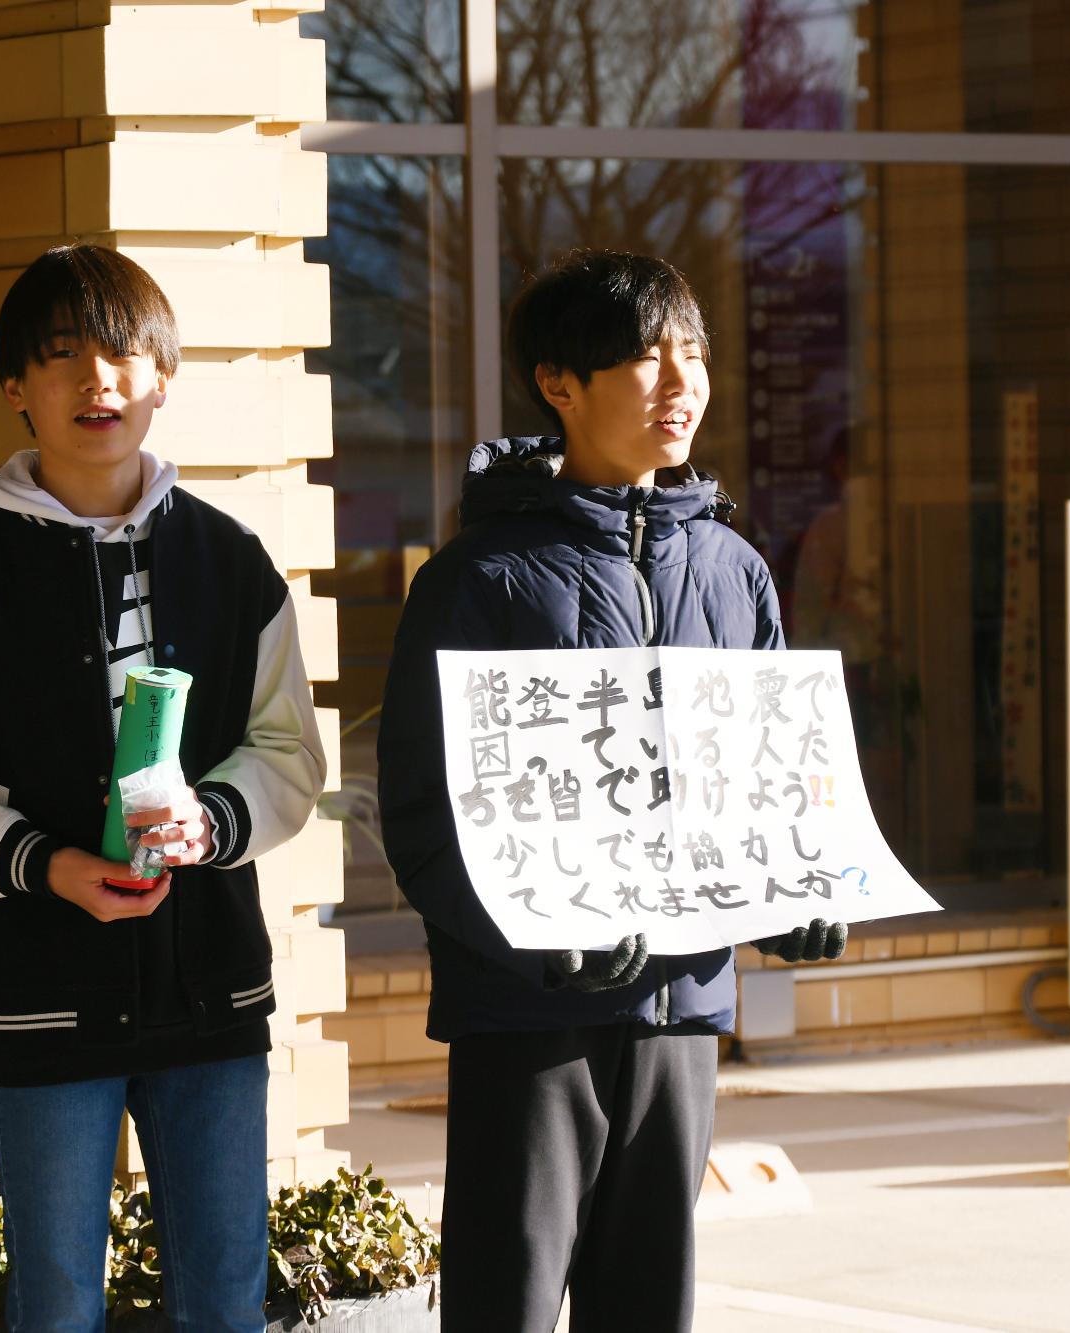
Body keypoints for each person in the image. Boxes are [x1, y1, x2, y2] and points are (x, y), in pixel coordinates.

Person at [0, 244, 326, 1333]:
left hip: (208, 988)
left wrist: (217, 818)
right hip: (35, 990)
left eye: (119, 354)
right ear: (16, 388)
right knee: (55, 1301)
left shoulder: (230, 558)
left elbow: (285, 751)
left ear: (162, 377)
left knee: (226, 1296)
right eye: (60, 359)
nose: (94, 381)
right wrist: (41, 862)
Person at [377, 249, 848, 1332]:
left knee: (649, 1304)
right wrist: (528, 932)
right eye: (645, 357)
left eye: (693, 353)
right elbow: (421, 812)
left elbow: (771, 787)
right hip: (527, 1013)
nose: (679, 381)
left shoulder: (733, 570)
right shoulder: (480, 576)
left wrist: (791, 898)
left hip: (680, 1007)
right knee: (507, 1298)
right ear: (558, 384)